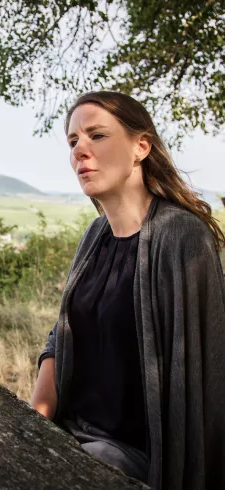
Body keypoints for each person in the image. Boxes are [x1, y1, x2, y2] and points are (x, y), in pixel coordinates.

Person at [30, 91, 225, 490]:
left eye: (97, 135)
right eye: (72, 141)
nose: (79, 150)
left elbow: (208, 373)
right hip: (72, 434)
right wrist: (33, 422)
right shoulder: (95, 235)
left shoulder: (181, 236)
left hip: (140, 458)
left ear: (141, 147)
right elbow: (59, 336)